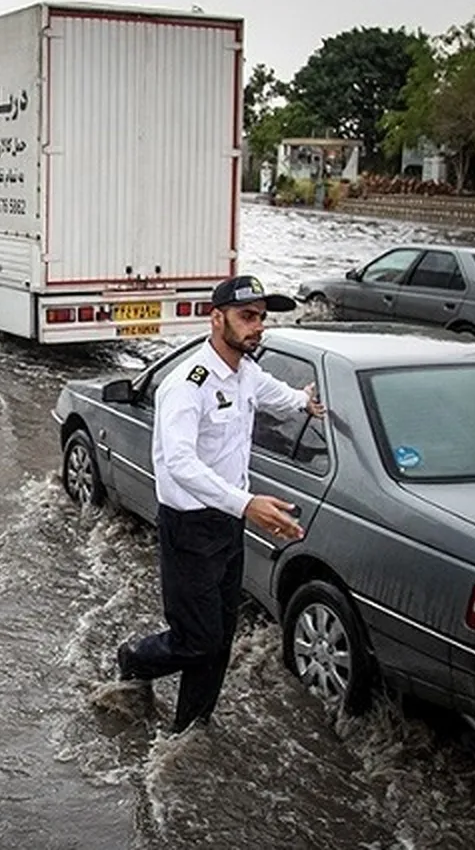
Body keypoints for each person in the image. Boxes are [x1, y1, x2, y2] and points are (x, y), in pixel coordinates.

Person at [116, 275, 326, 734]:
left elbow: (279, 395)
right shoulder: (186, 385)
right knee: (196, 639)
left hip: (229, 522)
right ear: (216, 318)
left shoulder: (246, 371)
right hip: (189, 527)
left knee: (220, 638)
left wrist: (306, 402)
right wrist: (247, 504)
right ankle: (134, 660)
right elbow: (180, 463)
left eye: (261, 318)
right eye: (247, 316)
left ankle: (191, 729)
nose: (257, 326)